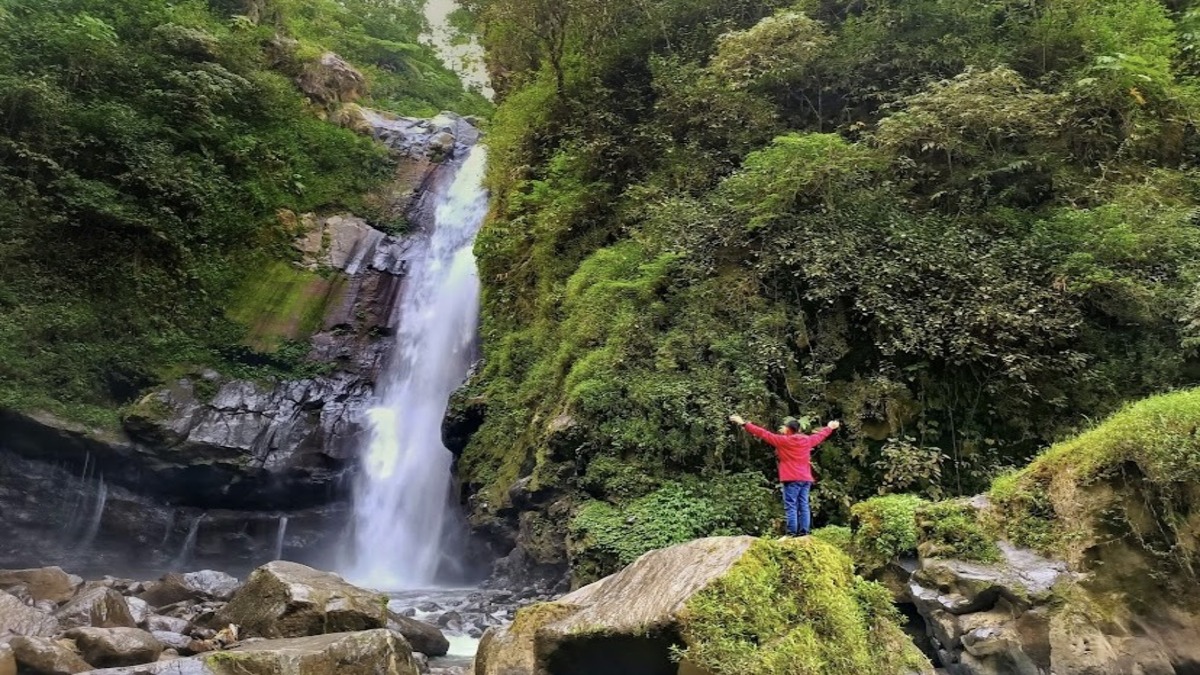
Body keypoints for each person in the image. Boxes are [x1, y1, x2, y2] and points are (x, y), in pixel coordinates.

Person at [729, 414, 840, 537]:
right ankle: (804, 533)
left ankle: (791, 534)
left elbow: (763, 433)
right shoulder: (807, 440)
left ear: (788, 429)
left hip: (791, 477)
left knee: (791, 506)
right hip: (805, 478)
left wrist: (744, 423)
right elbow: (820, 435)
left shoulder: (783, 441)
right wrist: (830, 427)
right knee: (803, 505)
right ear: (799, 429)